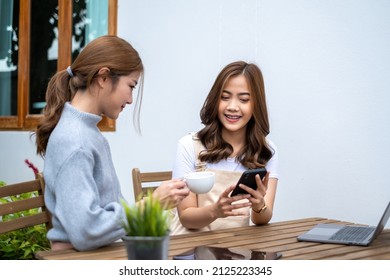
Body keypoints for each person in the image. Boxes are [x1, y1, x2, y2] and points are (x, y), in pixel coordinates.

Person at [34, 35, 189, 251]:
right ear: (104, 77)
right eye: (131, 86)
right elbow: (86, 231)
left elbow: (112, 208)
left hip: (102, 254)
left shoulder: (90, 133)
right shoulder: (74, 140)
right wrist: (151, 205)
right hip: (79, 263)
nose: (130, 99)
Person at [170, 61, 278, 235]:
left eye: (243, 99)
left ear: (256, 105)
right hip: (192, 251)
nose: (232, 107)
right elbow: (186, 217)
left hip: (237, 251)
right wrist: (216, 211)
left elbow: (261, 219)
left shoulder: (266, 151)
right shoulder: (189, 145)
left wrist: (259, 205)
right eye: (225, 97)